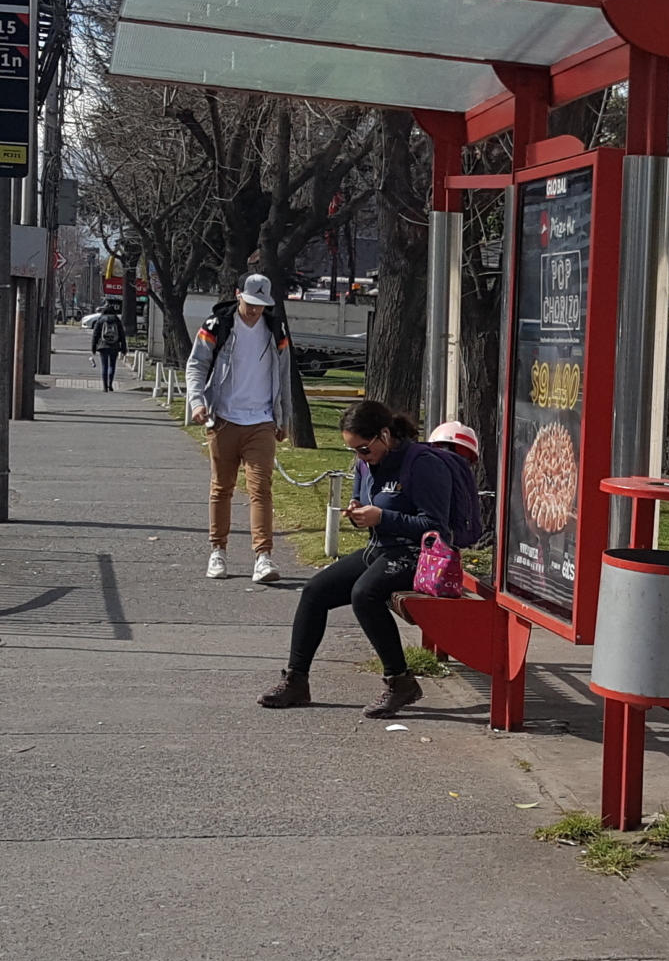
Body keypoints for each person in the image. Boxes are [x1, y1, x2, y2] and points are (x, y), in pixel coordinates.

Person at [259, 398, 466, 717]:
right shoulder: (365, 463)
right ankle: (296, 681)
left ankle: (400, 682)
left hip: (417, 556)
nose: (359, 457)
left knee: (365, 594)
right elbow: (364, 499)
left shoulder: (424, 463)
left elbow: (435, 526)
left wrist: (383, 517)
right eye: (353, 450)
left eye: (364, 449)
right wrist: (356, 511)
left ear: (384, 435)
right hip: (380, 550)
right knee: (315, 592)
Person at [185, 272, 293, 584]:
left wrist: (283, 417)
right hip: (224, 418)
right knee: (222, 487)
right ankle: (217, 551)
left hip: (261, 420)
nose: (256, 309)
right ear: (238, 295)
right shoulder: (218, 325)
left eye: (262, 304)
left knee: (261, 490)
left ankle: (263, 556)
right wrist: (196, 402)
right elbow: (197, 363)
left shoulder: (276, 329)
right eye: (251, 302)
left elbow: (284, 373)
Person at [89, 300, 126, 392]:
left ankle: (105, 386)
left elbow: (95, 334)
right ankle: (110, 385)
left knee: (104, 366)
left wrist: (93, 347)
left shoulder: (101, 320)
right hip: (115, 345)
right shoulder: (117, 320)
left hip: (103, 346)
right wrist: (124, 347)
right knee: (112, 365)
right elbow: (122, 334)